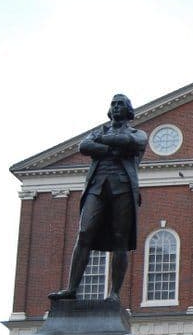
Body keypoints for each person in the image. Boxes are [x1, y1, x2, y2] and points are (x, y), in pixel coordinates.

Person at [49, 93, 147, 303]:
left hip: (122, 187)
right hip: (97, 186)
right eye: (113, 104)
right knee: (84, 232)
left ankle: (114, 294)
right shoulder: (99, 132)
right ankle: (71, 289)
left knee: (120, 239)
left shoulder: (137, 133)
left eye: (121, 104)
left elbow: (130, 141)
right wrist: (113, 148)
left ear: (128, 110)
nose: (116, 107)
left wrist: (102, 145)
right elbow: (84, 147)